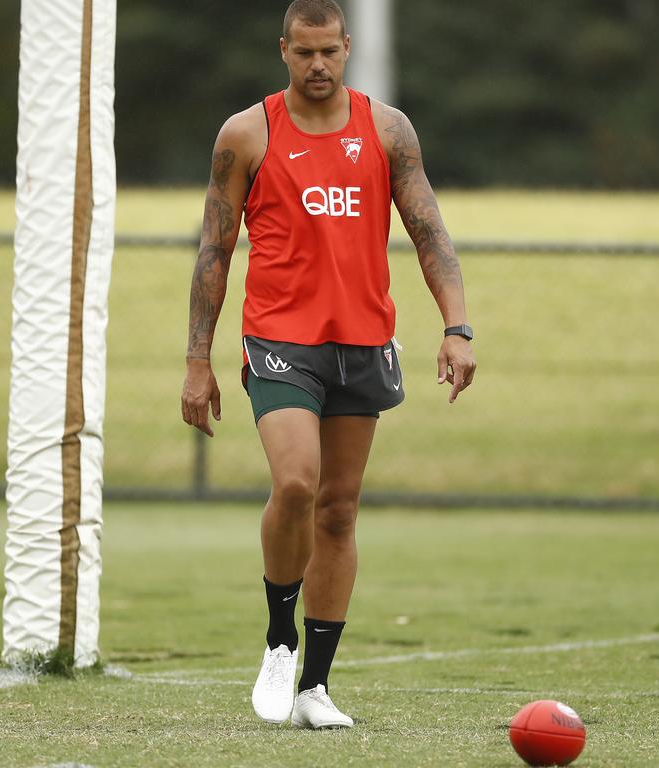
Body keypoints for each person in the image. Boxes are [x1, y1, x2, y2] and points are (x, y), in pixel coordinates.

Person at [180, 0, 476, 730]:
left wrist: (457, 326)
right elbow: (214, 252)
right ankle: (279, 640)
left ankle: (314, 687)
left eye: (330, 53)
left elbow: (429, 229)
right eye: (303, 52)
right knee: (296, 482)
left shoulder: (388, 129)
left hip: (362, 340)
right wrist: (197, 361)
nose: (318, 65)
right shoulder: (246, 134)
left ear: (347, 48)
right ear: (283, 50)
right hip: (281, 339)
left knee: (339, 512)